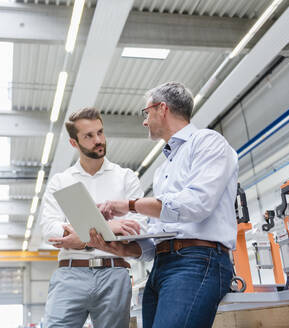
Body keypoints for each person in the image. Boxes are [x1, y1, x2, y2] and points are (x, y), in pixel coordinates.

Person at [89, 82, 238, 328]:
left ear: (162, 108)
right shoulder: (164, 169)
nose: (144, 121)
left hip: (198, 260)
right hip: (161, 265)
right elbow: (160, 233)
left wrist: (131, 204)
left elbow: (196, 204)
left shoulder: (208, 142)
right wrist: (122, 249)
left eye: (146, 113)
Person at [40, 107, 145, 328]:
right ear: (74, 143)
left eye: (100, 132)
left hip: (114, 273)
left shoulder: (126, 178)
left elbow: (139, 228)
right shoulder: (61, 181)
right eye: (88, 136)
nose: (98, 140)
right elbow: (50, 229)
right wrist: (112, 227)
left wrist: (81, 236)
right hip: (71, 273)